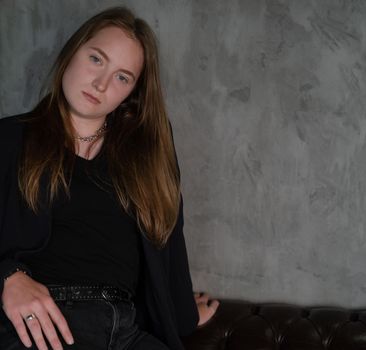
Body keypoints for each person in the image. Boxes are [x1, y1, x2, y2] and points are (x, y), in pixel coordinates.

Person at [0, 6, 218, 350]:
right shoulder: (9, 139)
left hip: (125, 332)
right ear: (73, 50)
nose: (101, 84)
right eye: (97, 59)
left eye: (122, 77)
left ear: (131, 91)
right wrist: (8, 277)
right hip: (41, 330)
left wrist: (182, 316)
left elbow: (171, 244)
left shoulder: (146, 157)